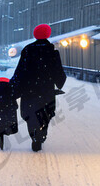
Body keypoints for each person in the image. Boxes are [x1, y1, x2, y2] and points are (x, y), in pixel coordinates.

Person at [10, 24, 66, 152]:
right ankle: (42, 134)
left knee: (30, 115)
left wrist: (14, 86)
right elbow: (58, 70)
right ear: (48, 34)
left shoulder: (28, 50)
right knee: (46, 114)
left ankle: (34, 136)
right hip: (46, 90)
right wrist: (59, 82)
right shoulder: (52, 51)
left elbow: (20, 71)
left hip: (29, 90)